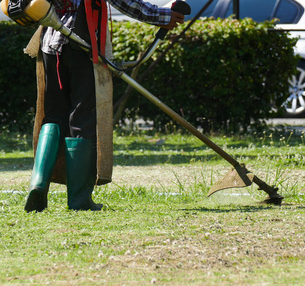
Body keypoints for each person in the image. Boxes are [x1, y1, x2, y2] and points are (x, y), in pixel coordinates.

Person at [24, 0, 185, 212]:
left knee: (53, 116)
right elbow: (126, 3)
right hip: (82, 45)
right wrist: (163, 16)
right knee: (82, 117)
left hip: (50, 45)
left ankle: (38, 184)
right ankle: (79, 199)